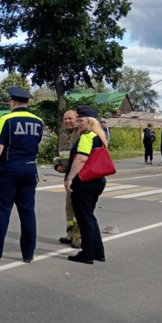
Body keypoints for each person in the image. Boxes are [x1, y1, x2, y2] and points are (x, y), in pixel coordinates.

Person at [0, 86, 44, 263]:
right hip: (30, 169)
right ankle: (28, 253)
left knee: (3, 212)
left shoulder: (6, 119)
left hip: (9, 170)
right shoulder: (38, 121)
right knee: (28, 212)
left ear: (12, 102)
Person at [65, 106, 108, 264]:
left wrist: (70, 178)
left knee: (83, 218)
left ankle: (87, 253)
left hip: (84, 182)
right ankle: (98, 252)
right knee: (90, 216)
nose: (78, 122)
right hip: (98, 180)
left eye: (81, 120)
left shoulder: (87, 136)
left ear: (89, 121)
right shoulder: (100, 136)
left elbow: (81, 158)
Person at [54, 110, 81, 249]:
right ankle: (70, 234)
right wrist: (57, 164)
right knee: (69, 207)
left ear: (77, 118)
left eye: (70, 118)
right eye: (65, 119)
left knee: (79, 207)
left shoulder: (82, 133)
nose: (67, 121)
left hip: (81, 175)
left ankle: (79, 237)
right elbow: (56, 152)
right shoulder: (62, 134)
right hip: (67, 175)